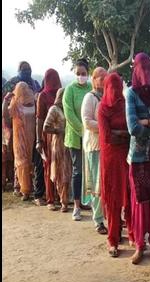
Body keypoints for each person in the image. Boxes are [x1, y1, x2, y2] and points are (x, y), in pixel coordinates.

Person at [125, 52, 150, 264]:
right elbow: (132, 127)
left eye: (149, 67)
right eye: (142, 68)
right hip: (138, 157)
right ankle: (139, 244)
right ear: (135, 70)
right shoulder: (130, 93)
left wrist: (147, 122)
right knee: (139, 201)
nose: (146, 72)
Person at [98, 72, 132, 258]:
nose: (115, 92)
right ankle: (112, 239)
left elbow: (131, 129)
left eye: (118, 87)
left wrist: (120, 133)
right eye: (112, 87)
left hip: (126, 157)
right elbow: (106, 136)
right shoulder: (102, 108)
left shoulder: (126, 105)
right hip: (110, 160)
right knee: (112, 200)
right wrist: (123, 134)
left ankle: (128, 233)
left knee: (127, 196)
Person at [63, 59, 93, 221]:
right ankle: (76, 206)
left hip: (91, 138)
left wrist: (91, 131)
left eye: (84, 74)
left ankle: (86, 201)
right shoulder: (69, 90)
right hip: (75, 137)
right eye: (78, 74)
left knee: (89, 171)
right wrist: (84, 130)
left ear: (88, 74)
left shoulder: (91, 88)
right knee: (78, 171)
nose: (81, 76)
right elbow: (69, 114)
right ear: (75, 74)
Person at [81, 67, 108, 233]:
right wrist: (106, 128)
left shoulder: (108, 96)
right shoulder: (89, 97)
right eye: (101, 77)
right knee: (97, 184)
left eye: (106, 77)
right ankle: (98, 219)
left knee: (107, 183)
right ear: (94, 79)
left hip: (109, 146)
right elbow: (86, 122)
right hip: (95, 145)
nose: (103, 80)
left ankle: (110, 216)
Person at [36, 69, 62, 210]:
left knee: (60, 166)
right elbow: (39, 120)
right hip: (48, 136)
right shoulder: (43, 96)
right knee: (48, 167)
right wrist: (39, 141)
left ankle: (60, 197)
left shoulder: (61, 94)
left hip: (61, 136)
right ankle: (50, 199)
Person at [43, 88, 72, 212]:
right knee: (61, 172)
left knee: (69, 171)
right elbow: (45, 127)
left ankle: (67, 199)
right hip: (59, 143)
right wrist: (58, 131)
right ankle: (63, 201)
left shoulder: (68, 108)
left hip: (70, 143)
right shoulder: (54, 109)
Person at [6, 82, 37, 201]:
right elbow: (6, 115)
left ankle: (27, 188)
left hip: (30, 138)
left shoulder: (33, 102)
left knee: (28, 163)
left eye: (26, 88)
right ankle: (25, 190)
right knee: (22, 163)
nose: (25, 90)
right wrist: (6, 100)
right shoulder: (16, 104)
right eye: (22, 88)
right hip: (20, 139)